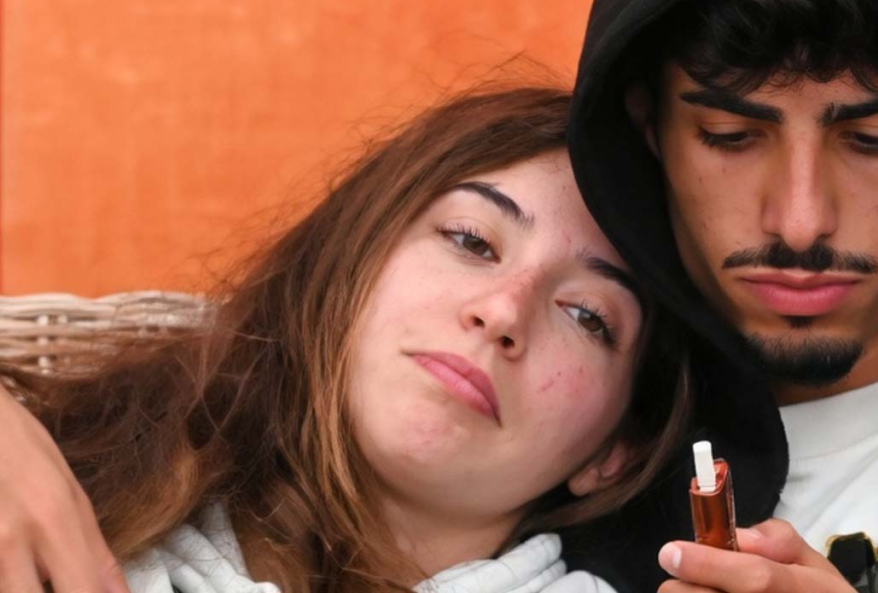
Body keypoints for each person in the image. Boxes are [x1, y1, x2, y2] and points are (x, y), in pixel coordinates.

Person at [0, 88, 692, 592]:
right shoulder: (64, 479)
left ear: (615, 452)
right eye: (471, 241)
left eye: (587, 315)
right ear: (349, 264)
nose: (504, 311)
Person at [561, 0, 878, 591]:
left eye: (872, 138)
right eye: (730, 136)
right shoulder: (551, 450)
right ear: (650, 128)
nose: (800, 224)